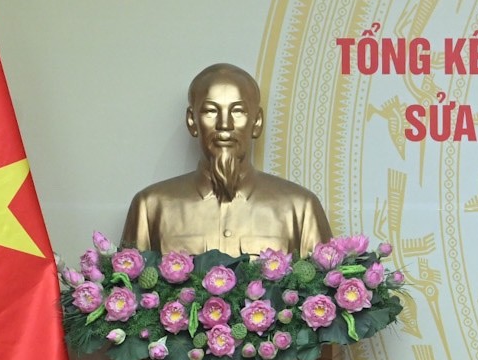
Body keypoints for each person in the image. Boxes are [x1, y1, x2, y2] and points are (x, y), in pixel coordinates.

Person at [119, 63, 332, 257]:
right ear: (192, 121)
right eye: (211, 111)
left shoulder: (300, 209)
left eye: (238, 111)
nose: (224, 124)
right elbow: (128, 283)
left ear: (257, 122)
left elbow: (325, 284)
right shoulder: (150, 207)